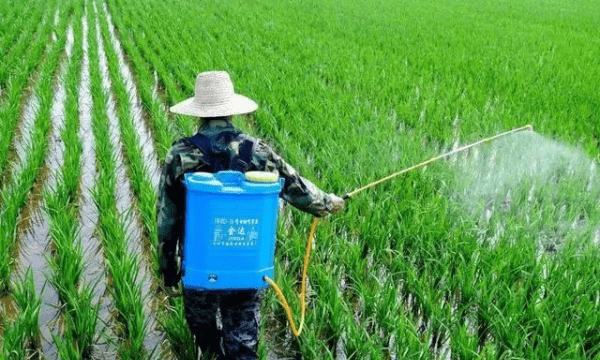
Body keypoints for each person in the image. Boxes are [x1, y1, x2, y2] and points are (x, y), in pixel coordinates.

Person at [157, 71, 344, 360]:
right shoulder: (258, 152)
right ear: (232, 111)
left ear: (199, 114)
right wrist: (327, 203)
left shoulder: (180, 154)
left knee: (204, 336)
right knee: (242, 344)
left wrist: (168, 269)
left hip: (199, 266)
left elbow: (167, 219)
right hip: (244, 264)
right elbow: (297, 188)